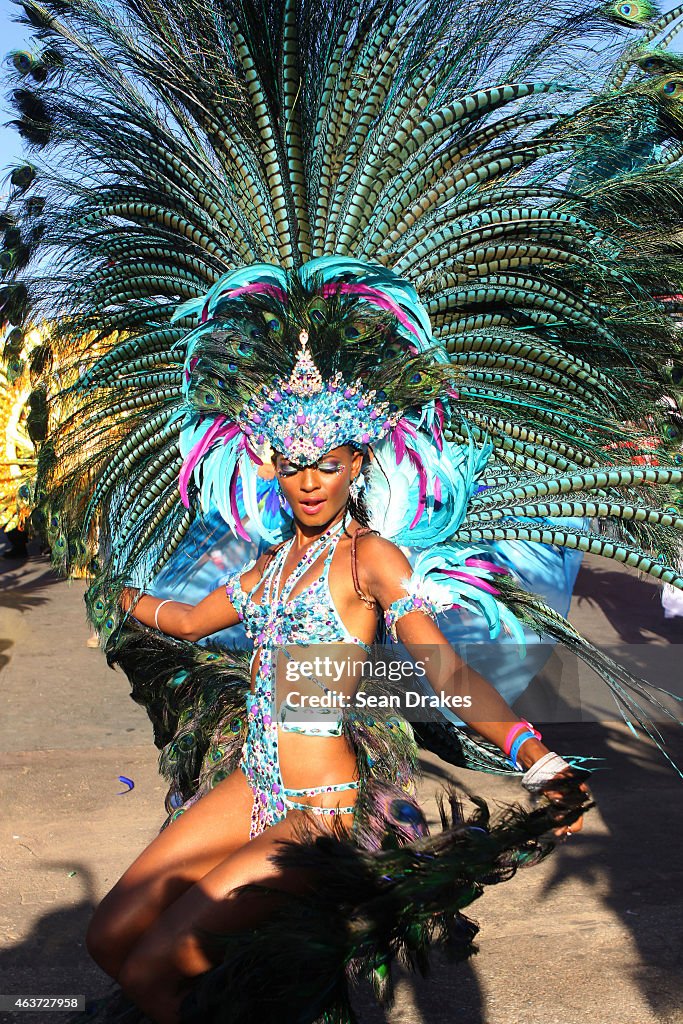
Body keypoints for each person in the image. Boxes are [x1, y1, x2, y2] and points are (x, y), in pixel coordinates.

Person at [84, 335, 588, 1024]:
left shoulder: (367, 560)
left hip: (316, 805)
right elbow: (188, 621)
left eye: (327, 465)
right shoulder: (271, 563)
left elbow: (444, 672)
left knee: (152, 970)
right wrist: (115, 594)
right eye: (294, 467)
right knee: (109, 938)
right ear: (274, 468)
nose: (310, 482)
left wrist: (537, 759)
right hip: (251, 784)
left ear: (355, 463)